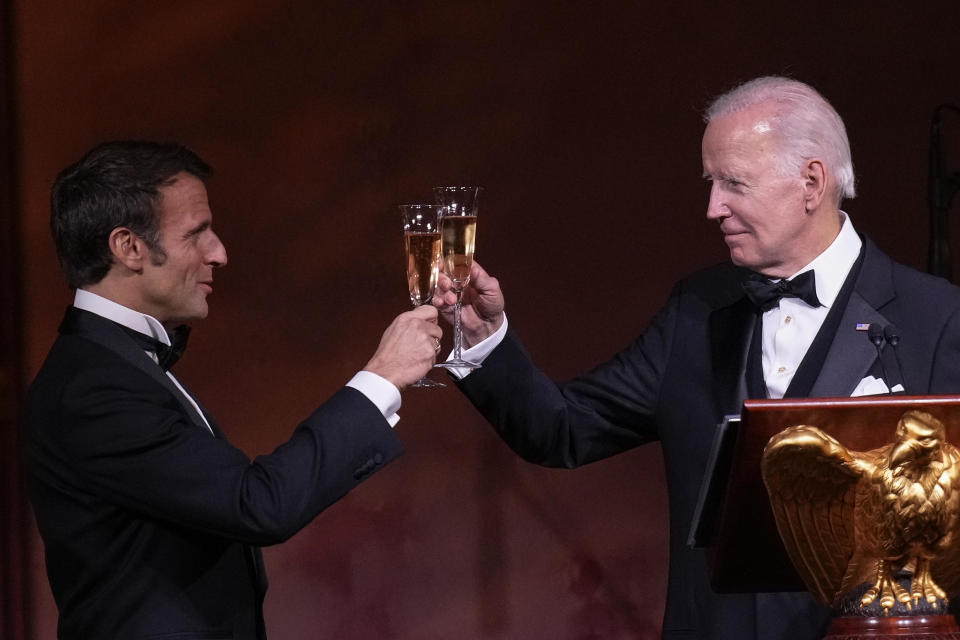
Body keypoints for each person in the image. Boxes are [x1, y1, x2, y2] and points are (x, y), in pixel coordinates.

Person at [433, 76, 960, 639]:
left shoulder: (938, 318)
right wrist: (482, 338)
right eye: (712, 183)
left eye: (734, 183)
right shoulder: (695, 312)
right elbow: (560, 430)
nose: (713, 207)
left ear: (811, 181)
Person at [24, 140, 442, 639]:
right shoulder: (92, 387)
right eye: (197, 234)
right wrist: (381, 377)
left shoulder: (116, 364)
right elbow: (257, 504)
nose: (219, 253)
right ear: (128, 247)